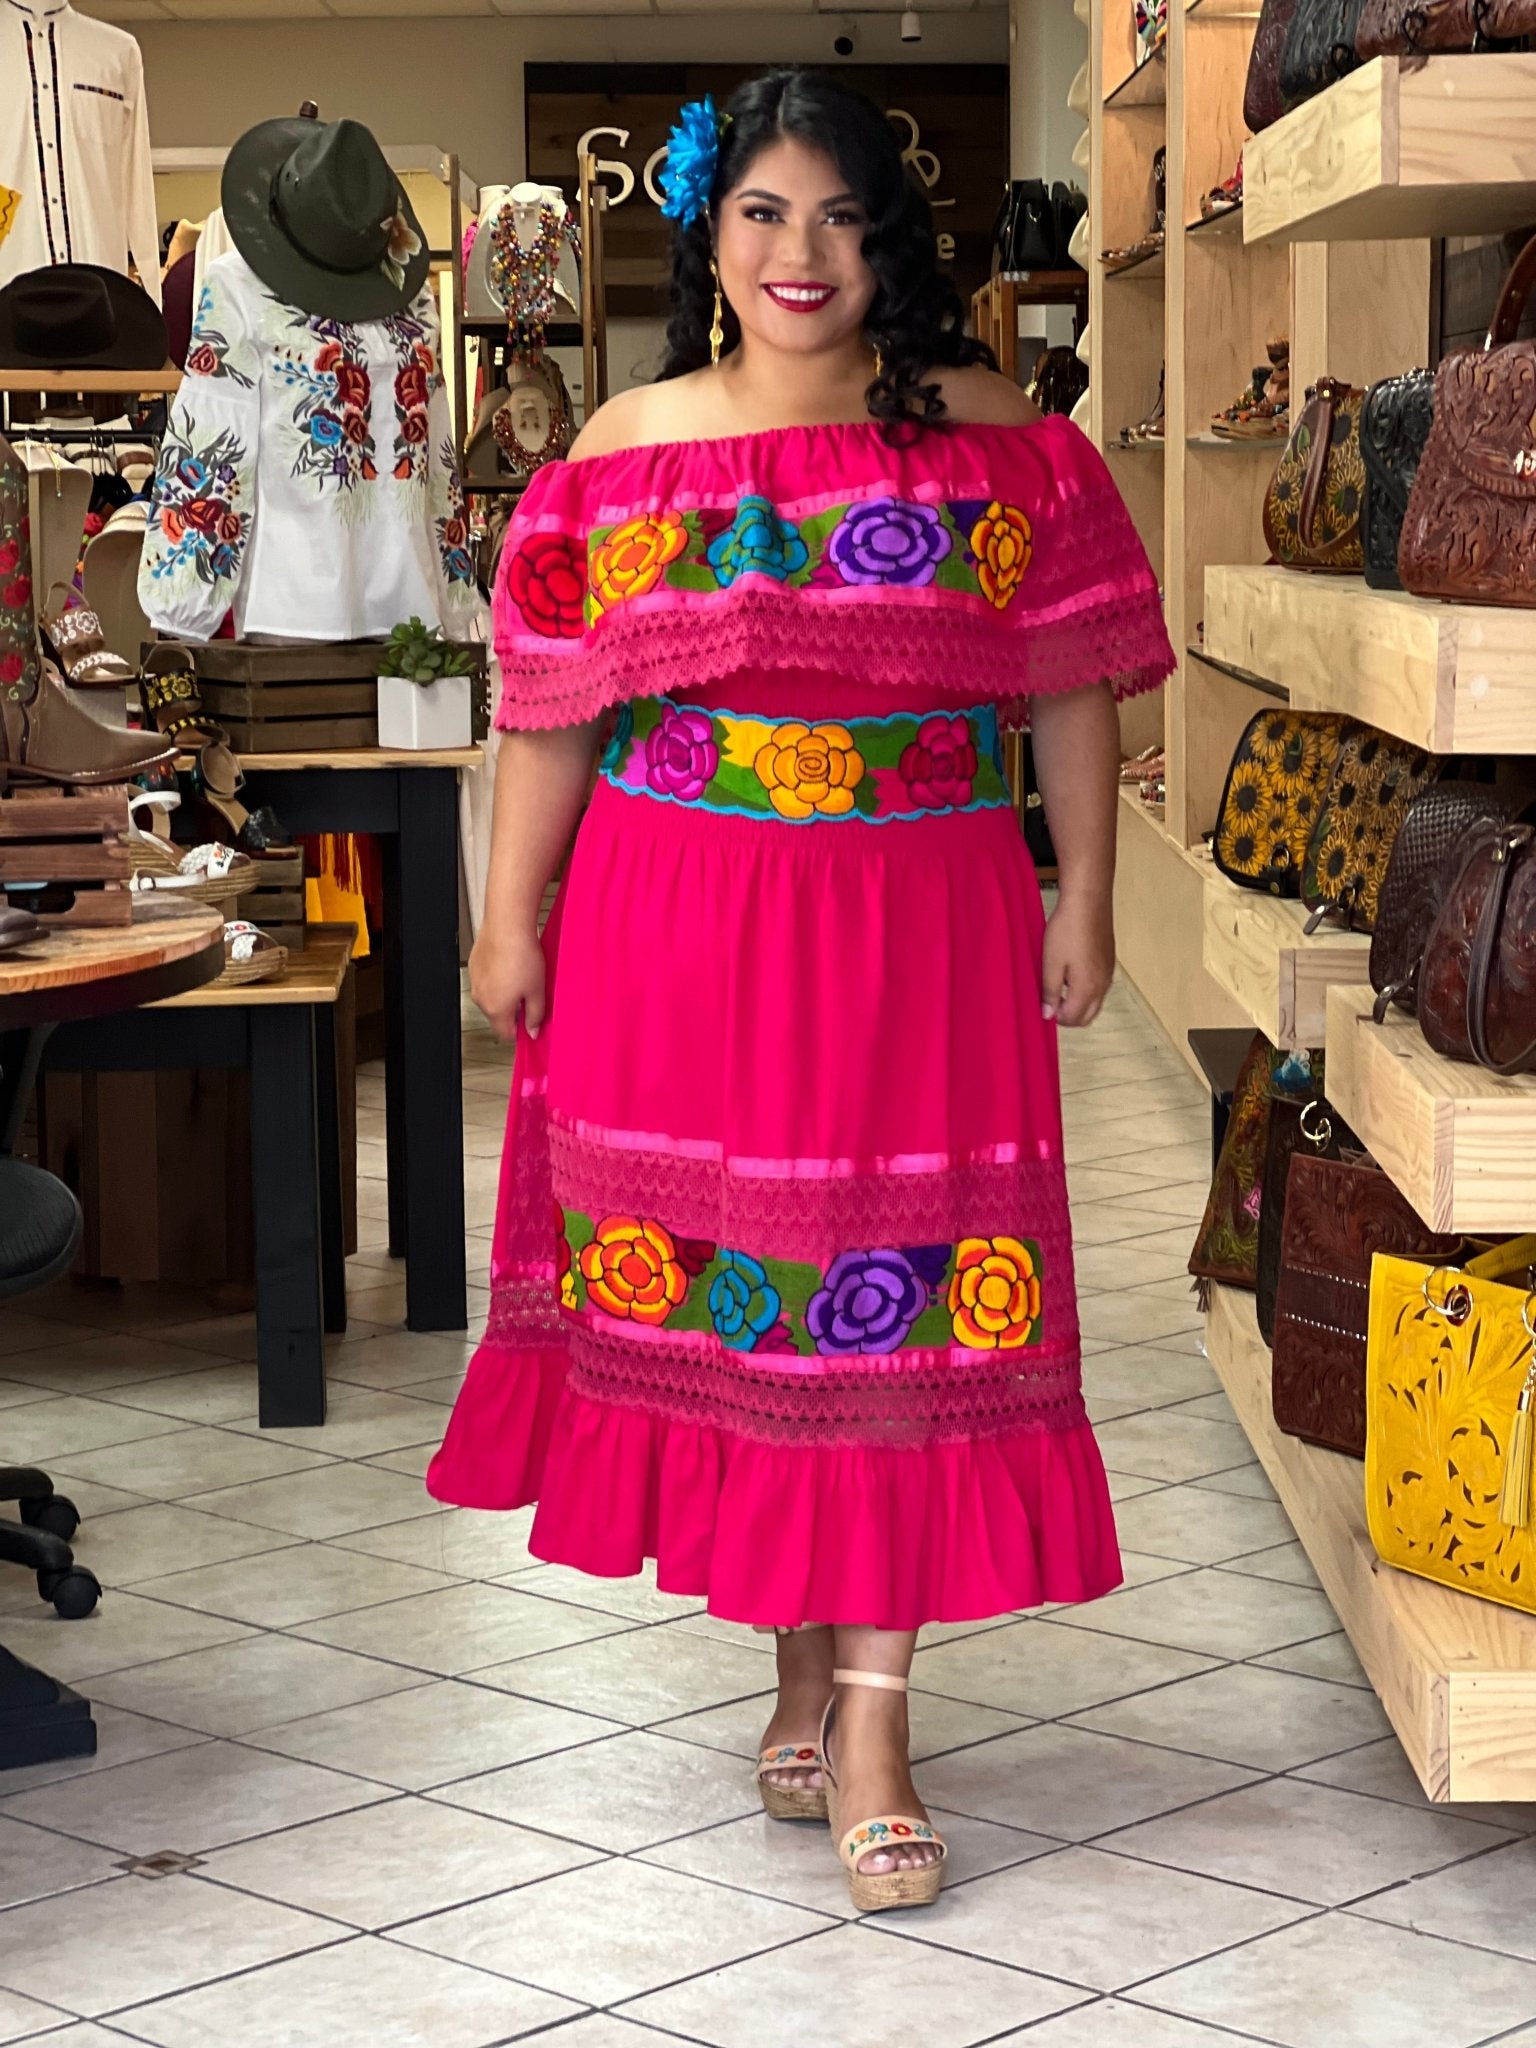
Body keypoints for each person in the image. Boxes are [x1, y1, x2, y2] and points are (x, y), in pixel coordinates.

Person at [428, 67, 1174, 1914]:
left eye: (838, 217)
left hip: (922, 922)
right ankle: (799, 1671)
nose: (801, 254)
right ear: (713, 234)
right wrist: (509, 922)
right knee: (758, 1311)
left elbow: (1071, 679)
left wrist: (1084, 892)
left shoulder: (1003, 442)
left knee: (902, 1319)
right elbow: (553, 712)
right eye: (764, 214)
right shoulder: (624, 446)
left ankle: (879, 1725)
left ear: (888, 241)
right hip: (675, 921)